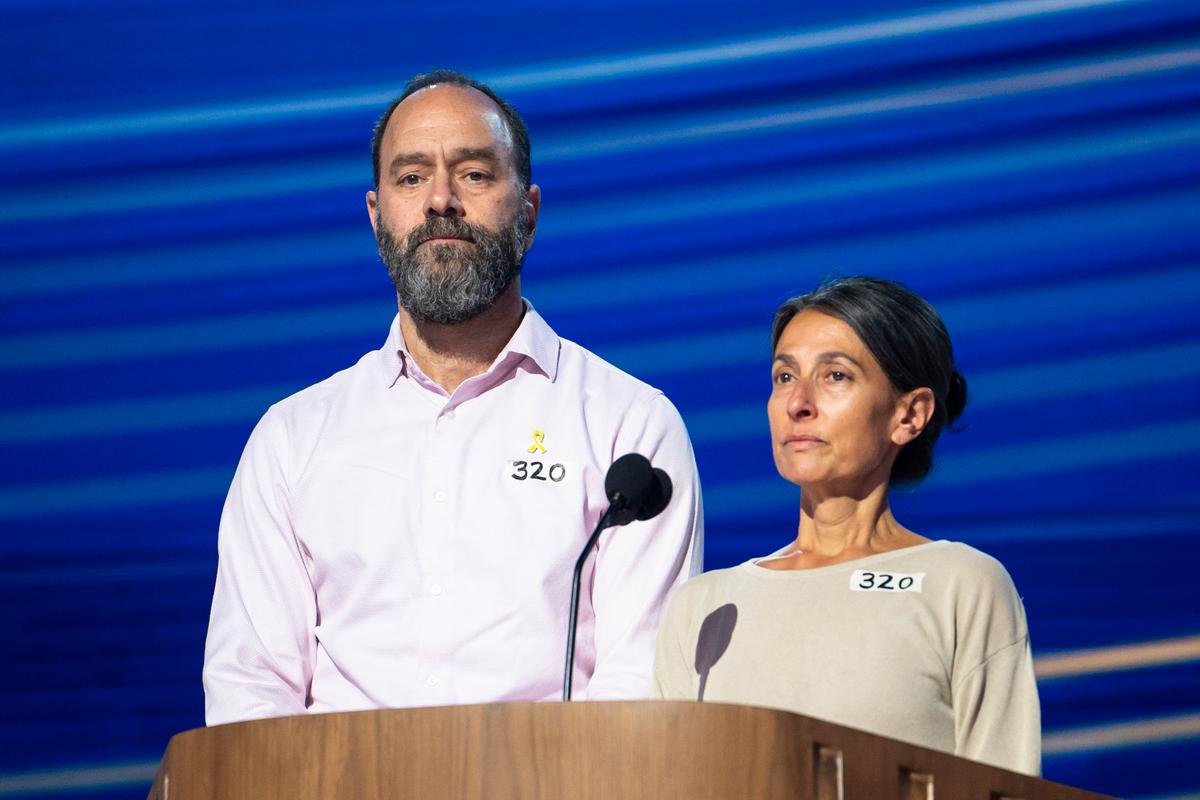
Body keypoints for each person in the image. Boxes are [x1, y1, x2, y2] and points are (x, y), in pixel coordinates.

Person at [203, 70, 703, 725]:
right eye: (411, 178)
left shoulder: (630, 428)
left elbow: (640, 683)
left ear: (527, 211)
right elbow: (251, 687)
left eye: (473, 174)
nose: (441, 200)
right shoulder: (293, 439)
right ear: (376, 215)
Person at [652, 276, 1040, 776]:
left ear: (909, 415)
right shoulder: (704, 607)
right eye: (784, 377)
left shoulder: (961, 585)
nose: (798, 403)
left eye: (835, 376)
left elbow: (1005, 779)